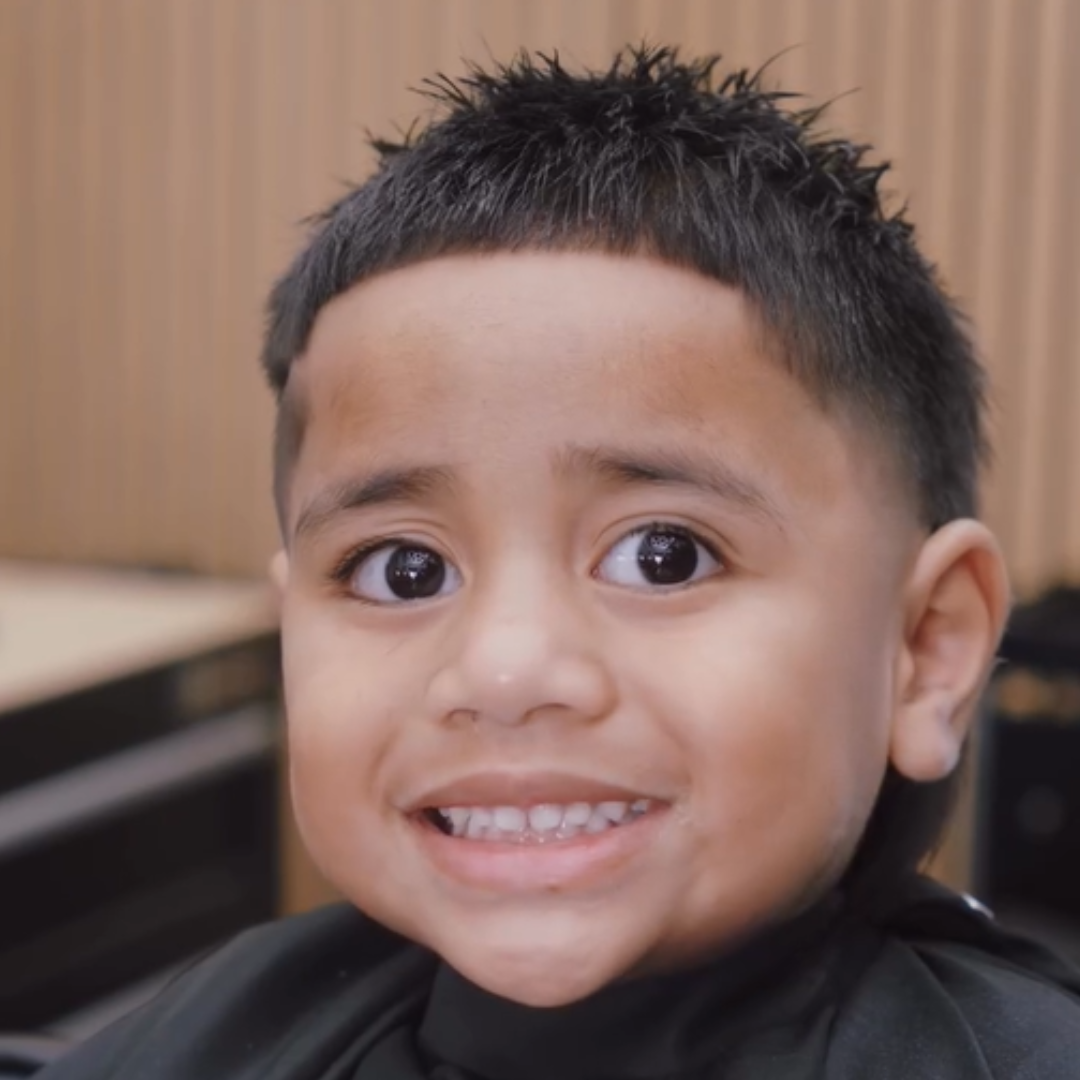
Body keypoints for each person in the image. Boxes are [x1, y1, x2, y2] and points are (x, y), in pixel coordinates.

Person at [39, 45, 1080, 1079]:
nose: (505, 670)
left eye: (663, 557)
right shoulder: (229, 1031)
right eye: (403, 570)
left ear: (926, 647)